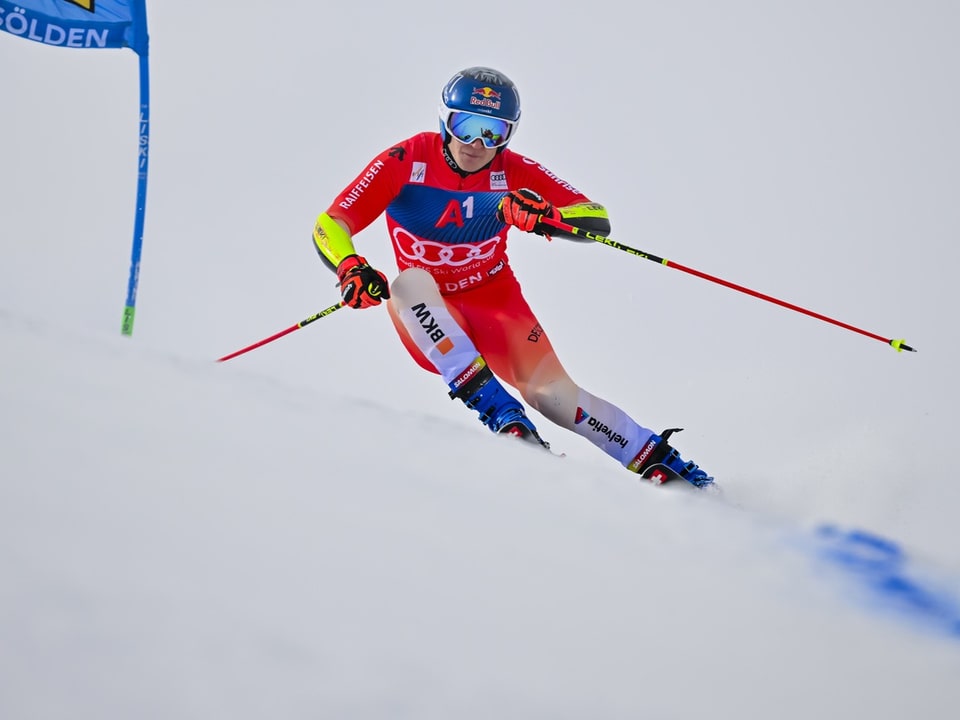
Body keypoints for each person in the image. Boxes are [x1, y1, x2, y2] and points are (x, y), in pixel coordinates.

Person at [312, 66, 712, 487]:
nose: (477, 143)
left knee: (554, 397)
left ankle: (671, 468)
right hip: (429, 314)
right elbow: (331, 222)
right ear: (444, 120)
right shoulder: (406, 160)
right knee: (407, 283)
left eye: (493, 131)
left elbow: (594, 217)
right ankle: (506, 420)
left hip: (495, 301)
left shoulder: (514, 170)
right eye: (465, 125)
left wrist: (546, 216)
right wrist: (348, 265)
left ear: (509, 134)